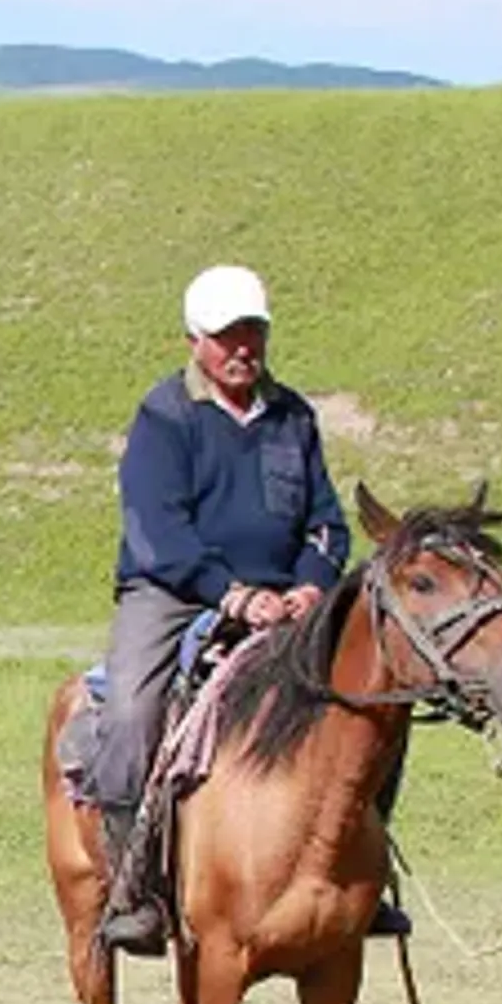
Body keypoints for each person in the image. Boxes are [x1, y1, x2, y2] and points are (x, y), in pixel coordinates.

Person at [87, 262, 390, 954]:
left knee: (378, 698)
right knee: (132, 710)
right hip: (171, 593)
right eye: (227, 336)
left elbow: (326, 524)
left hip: (287, 601)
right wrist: (231, 594)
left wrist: (312, 585)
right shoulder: (165, 418)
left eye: (252, 332)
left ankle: (364, 878)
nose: (242, 348)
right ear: (196, 339)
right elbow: (156, 532)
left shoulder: (293, 418)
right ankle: (132, 891)